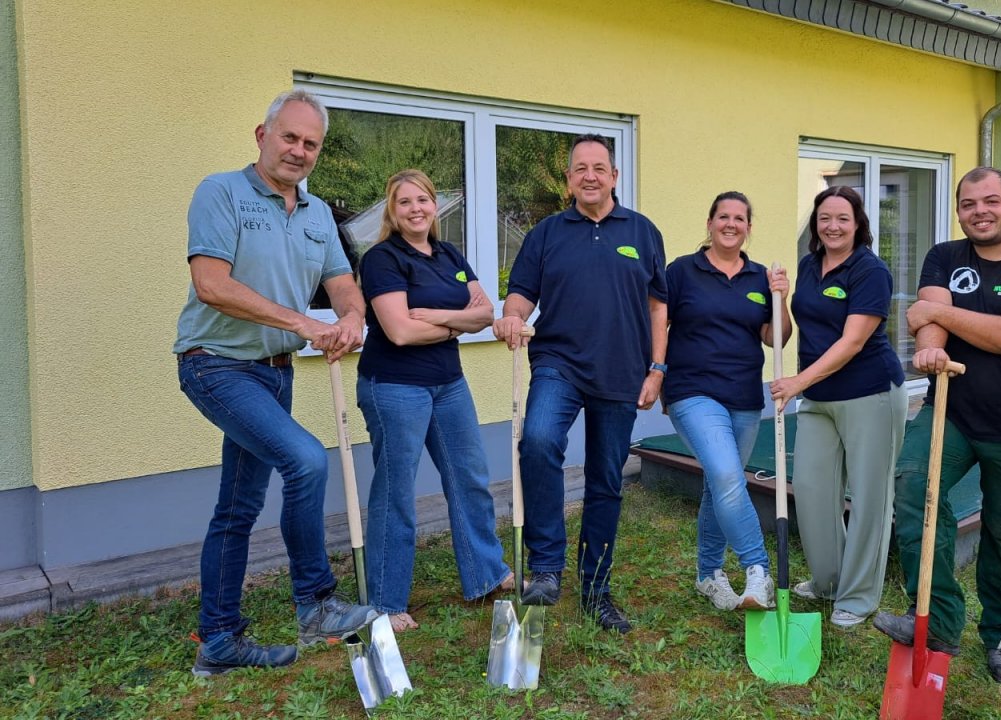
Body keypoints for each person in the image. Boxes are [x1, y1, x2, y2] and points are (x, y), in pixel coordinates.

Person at [174, 90, 377, 676]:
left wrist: (352, 319)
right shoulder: (222, 193)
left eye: (311, 143)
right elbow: (212, 284)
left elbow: (342, 282)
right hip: (215, 364)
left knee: (236, 509)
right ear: (261, 135)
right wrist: (303, 323)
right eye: (289, 137)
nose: (299, 151)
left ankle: (219, 641)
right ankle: (315, 604)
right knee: (307, 460)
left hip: (274, 373)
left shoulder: (316, 215)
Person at [871, 167, 1001, 682]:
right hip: (951, 411)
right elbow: (929, 314)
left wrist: (938, 319)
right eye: (968, 203)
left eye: (990, 201)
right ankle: (936, 624)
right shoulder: (945, 255)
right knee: (915, 493)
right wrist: (933, 342)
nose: (979, 211)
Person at [492, 134, 667, 633]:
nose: (590, 176)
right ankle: (546, 566)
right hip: (559, 362)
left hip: (622, 369)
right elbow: (522, 294)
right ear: (568, 180)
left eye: (599, 168)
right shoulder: (547, 233)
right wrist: (510, 317)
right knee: (540, 440)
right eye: (579, 169)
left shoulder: (643, 231)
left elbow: (659, 306)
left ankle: (597, 590)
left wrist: (658, 368)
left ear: (614, 176)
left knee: (605, 480)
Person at [354, 170, 513, 632]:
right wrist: (458, 324)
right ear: (392, 211)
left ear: (434, 205)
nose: (416, 209)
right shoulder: (383, 259)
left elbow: (485, 312)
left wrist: (442, 317)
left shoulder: (449, 255)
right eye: (404, 202)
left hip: (449, 384)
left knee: (471, 478)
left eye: (422, 199)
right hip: (394, 387)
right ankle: (385, 600)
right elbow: (399, 332)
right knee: (396, 491)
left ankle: (485, 573)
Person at [770, 185, 908, 629]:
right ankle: (829, 580)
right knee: (811, 489)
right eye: (824, 218)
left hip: (870, 393)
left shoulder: (870, 270)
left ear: (858, 224)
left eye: (842, 219)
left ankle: (859, 596)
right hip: (818, 397)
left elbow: (852, 342)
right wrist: (782, 296)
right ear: (816, 223)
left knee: (869, 496)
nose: (832, 226)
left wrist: (797, 383)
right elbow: (792, 330)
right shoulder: (810, 266)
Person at [662, 191, 791, 611]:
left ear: (749, 227)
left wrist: (780, 298)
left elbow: (777, 338)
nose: (731, 224)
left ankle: (708, 574)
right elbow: (657, 324)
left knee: (718, 485)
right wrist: (655, 373)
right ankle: (759, 571)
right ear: (710, 222)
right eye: (723, 216)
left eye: (739, 218)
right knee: (728, 476)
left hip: (744, 397)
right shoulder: (681, 271)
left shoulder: (759, 278)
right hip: (692, 391)